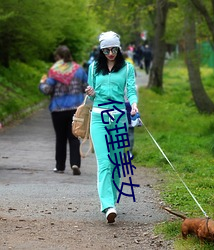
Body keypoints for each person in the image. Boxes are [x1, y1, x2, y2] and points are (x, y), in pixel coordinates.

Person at [85, 31, 138, 223]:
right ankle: (108, 205)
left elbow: (131, 90)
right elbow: (91, 97)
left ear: (119, 48)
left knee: (116, 163)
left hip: (119, 118)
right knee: (104, 163)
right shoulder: (93, 68)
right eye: (106, 50)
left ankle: (112, 200)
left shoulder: (127, 68)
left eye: (113, 49)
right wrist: (90, 92)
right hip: (99, 117)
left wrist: (133, 104)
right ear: (101, 50)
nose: (110, 53)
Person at [39, 45, 88, 175]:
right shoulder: (79, 70)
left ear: (58, 57)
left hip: (58, 109)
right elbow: (86, 87)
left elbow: (47, 90)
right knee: (73, 137)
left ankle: (60, 166)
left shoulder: (54, 71)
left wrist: (42, 83)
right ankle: (75, 163)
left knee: (60, 138)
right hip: (75, 109)